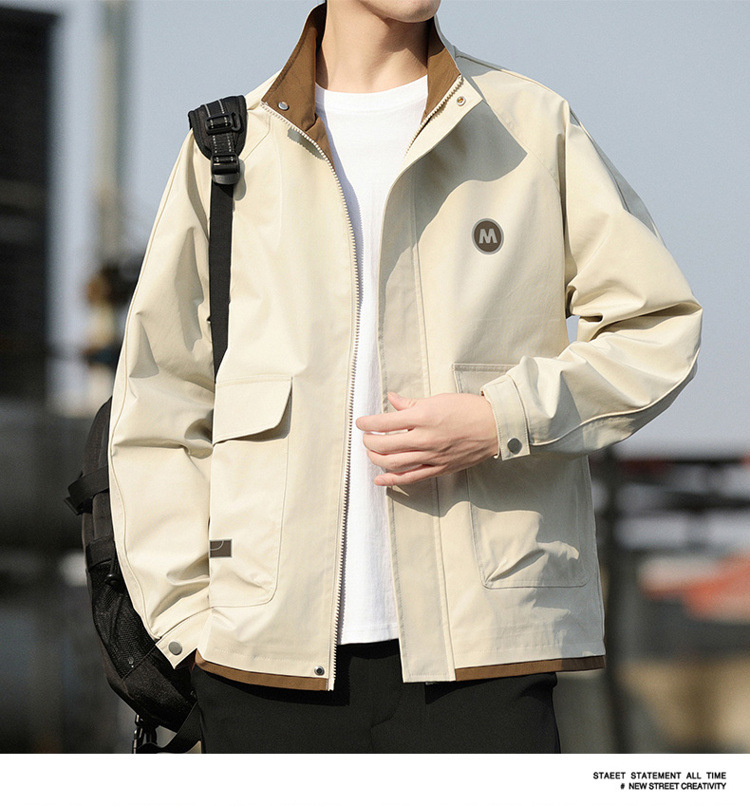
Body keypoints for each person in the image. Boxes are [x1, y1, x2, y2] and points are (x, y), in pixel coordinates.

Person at [107, 0, 702, 752]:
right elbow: (159, 401)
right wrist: (191, 624)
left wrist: (502, 419)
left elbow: (658, 326)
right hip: (257, 660)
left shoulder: (527, 123)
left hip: (485, 658)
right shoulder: (229, 146)